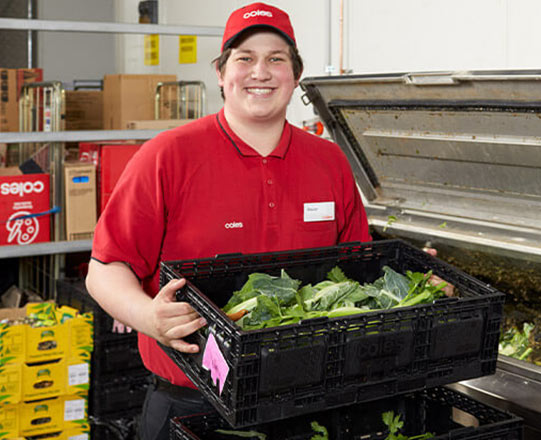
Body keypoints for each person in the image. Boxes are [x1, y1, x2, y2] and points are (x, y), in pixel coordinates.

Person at [84, 3, 371, 439]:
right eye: (244, 58)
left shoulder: (329, 162)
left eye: (276, 59)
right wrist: (148, 315)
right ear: (221, 73)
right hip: (190, 404)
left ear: (295, 76)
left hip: (305, 399)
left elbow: (356, 267)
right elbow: (105, 269)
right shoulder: (168, 156)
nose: (261, 72)